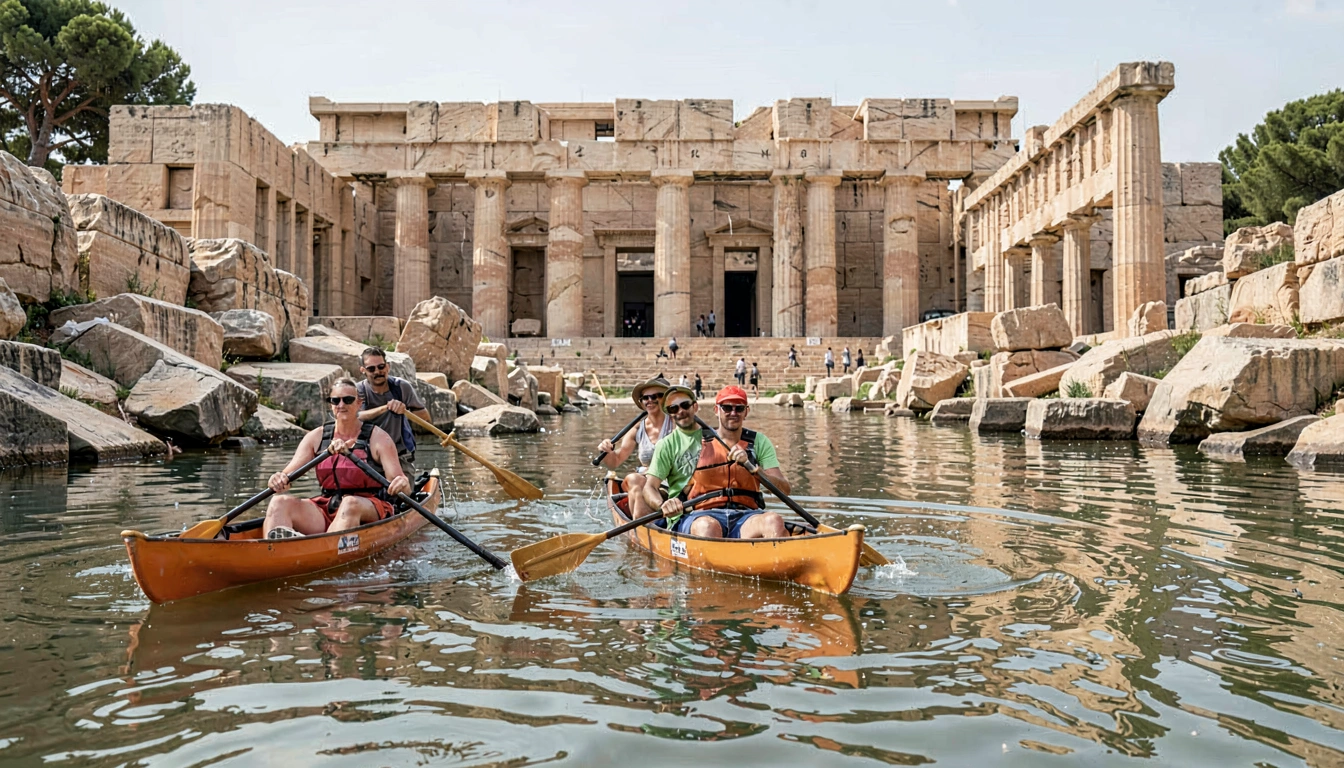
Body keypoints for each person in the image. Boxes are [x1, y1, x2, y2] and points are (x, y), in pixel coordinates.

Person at [263, 377, 411, 539]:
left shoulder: (379, 438)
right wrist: (277, 479)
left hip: (369, 506)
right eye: (335, 400)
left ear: (358, 403)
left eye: (348, 400)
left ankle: (324, 550)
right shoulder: (316, 437)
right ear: (331, 405)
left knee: (350, 503)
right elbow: (286, 478)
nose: (341, 405)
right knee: (279, 502)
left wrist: (402, 483)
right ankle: (275, 552)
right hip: (328, 506)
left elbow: (400, 484)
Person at [644, 385, 788, 540]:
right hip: (699, 515)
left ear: (746, 412)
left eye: (739, 408)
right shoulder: (688, 442)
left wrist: (754, 469)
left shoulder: (759, 442)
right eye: (727, 408)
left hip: (746, 516)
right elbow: (649, 487)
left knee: (774, 521)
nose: (733, 413)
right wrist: (663, 505)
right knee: (707, 527)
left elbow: (784, 489)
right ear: (716, 410)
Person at [597, 377, 673, 522]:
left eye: (655, 396)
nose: (649, 400)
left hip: (671, 483)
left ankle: (641, 526)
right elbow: (615, 462)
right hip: (646, 483)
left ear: (666, 399)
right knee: (634, 482)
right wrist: (606, 451)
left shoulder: (677, 423)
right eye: (645, 398)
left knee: (635, 482)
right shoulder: (637, 429)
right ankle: (641, 525)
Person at [356, 347, 428, 477]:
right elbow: (357, 417)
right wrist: (385, 408)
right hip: (368, 457)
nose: (378, 372)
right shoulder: (359, 390)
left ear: (388, 367)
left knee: (400, 493)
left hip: (400, 456)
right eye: (371, 369)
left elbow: (426, 419)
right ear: (363, 371)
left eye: (381, 367)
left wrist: (404, 410)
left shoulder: (401, 387)